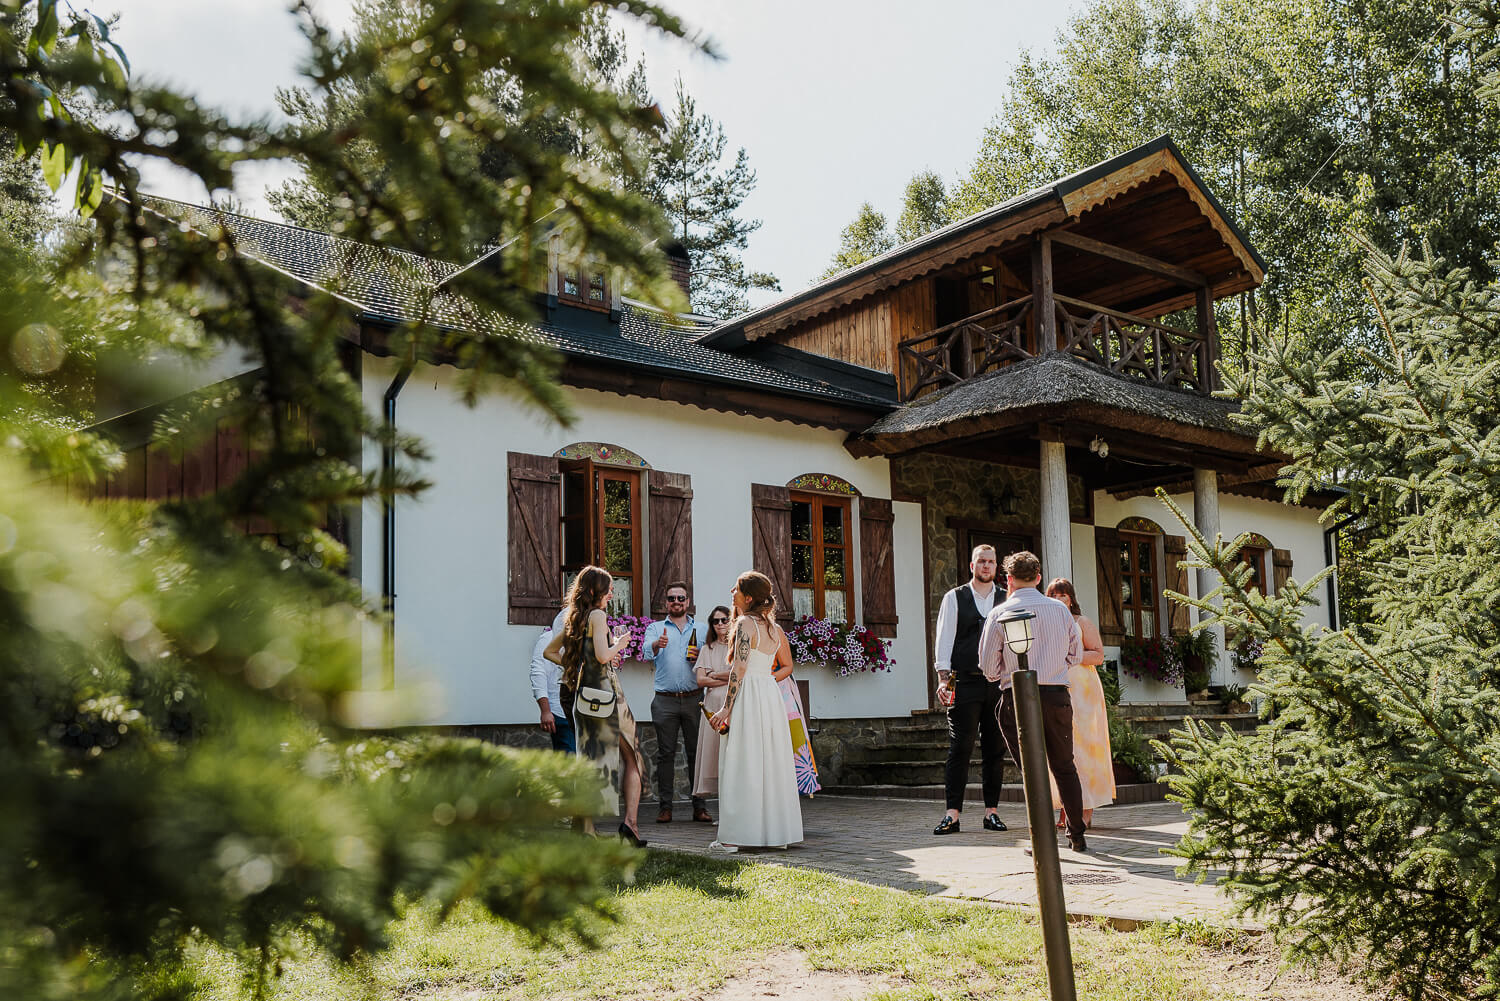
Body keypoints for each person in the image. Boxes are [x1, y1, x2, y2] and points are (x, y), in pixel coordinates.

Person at [978, 551, 1088, 852]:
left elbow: (988, 668)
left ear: (1008, 580)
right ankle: (1077, 834)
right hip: (1055, 694)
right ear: (1038, 578)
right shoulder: (1060, 610)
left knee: (1032, 769)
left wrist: (1006, 671)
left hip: (1016, 696)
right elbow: (1076, 655)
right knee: (1065, 766)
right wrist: (1053, 665)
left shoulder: (999, 613)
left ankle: (1041, 837)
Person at [544, 566, 646, 847]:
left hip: (584, 698)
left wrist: (579, 667)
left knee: (588, 761)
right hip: (607, 696)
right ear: (594, 590)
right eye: (608, 589)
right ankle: (631, 826)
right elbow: (602, 656)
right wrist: (620, 644)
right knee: (633, 758)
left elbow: (550, 652)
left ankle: (586, 830)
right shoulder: (598, 616)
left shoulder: (575, 617)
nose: (612, 593)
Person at [709, 571, 803, 851]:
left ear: (748, 598)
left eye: (736, 589)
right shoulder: (775, 629)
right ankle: (774, 835)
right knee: (769, 762)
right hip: (769, 696)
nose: (732, 592)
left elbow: (738, 668)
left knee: (741, 761)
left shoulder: (744, 623)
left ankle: (732, 838)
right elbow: (786, 666)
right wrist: (765, 682)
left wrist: (725, 708)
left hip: (749, 694)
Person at [931, 543, 1008, 836]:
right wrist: (943, 679)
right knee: (960, 748)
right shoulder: (955, 597)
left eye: (991, 561)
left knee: (995, 749)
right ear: (972, 565)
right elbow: (944, 639)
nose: (986, 566)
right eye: (981, 561)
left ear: (996, 566)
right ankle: (952, 814)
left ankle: (992, 813)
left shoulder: (1006, 598)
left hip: (997, 683)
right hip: (964, 681)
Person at [1044, 578, 1115, 830]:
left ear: (1071, 598)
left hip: (1083, 692)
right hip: (1056, 687)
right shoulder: (1046, 624)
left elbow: (1098, 655)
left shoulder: (1081, 621)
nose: (1058, 599)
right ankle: (1066, 809)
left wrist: (1070, 656)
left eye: (1062, 595)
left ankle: (1086, 810)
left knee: (1085, 748)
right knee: (1062, 750)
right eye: (1053, 595)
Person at [641, 582, 712, 824]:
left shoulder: (701, 629)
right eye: (672, 598)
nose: (676, 602)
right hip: (665, 700)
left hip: (695, 699)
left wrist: (700, 656)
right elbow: (645, 652)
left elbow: (714, 657)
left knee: (696, 754)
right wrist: (656, 645)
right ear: (666, 603)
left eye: (681, 598)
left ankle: (699, 807)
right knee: (665, 755)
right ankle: (665, 808)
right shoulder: (656, 628)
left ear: (688, 601)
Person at [691, 605, 734, 799]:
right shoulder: (707, 649)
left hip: (732, 705)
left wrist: (715, 674)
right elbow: (701, 680)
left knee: (732, 751)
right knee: (713, 752)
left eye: (724, 620)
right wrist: (728, 677)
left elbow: (740, 675)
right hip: (712, 706)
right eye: (716, 621)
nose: (720, 624)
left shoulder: (737, 648)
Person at [773, 628, 821, 796]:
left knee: (790, 735)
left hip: (779, 687)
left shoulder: (776, 630)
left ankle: (795, 784)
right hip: (754, 689)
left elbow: (787, 666)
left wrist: (765, 680)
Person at [528, 611, 574, 753]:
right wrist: (546, 711)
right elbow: (538, 673)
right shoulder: (548, 638)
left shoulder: (584, 640)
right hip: (560, 711)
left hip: (583, 712)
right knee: (568, 758)